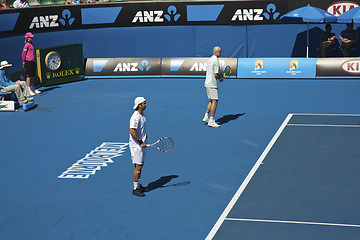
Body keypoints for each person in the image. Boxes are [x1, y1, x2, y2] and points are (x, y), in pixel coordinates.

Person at [129, 97, 150, 197]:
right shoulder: (135, 117)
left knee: (140, 164)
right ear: (139, 105)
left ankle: (138, 185)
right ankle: (135, 188)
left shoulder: (142, 114)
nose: (146, 104)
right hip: (137, 146)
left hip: (141, 144)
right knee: (138, 166)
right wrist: (140, 141)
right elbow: (132, 131)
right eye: (144, 103)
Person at [202, 46, 222, 128]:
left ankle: (206, 116)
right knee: (215, 101)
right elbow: (216, 74)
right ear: (215, 52)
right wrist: (221, 77)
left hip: (207, 83)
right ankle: (211, 120)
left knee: (211, 100)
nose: (221, 53)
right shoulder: (216, 61)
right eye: (219, 52)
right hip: (212, 84)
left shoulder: (209, 59)